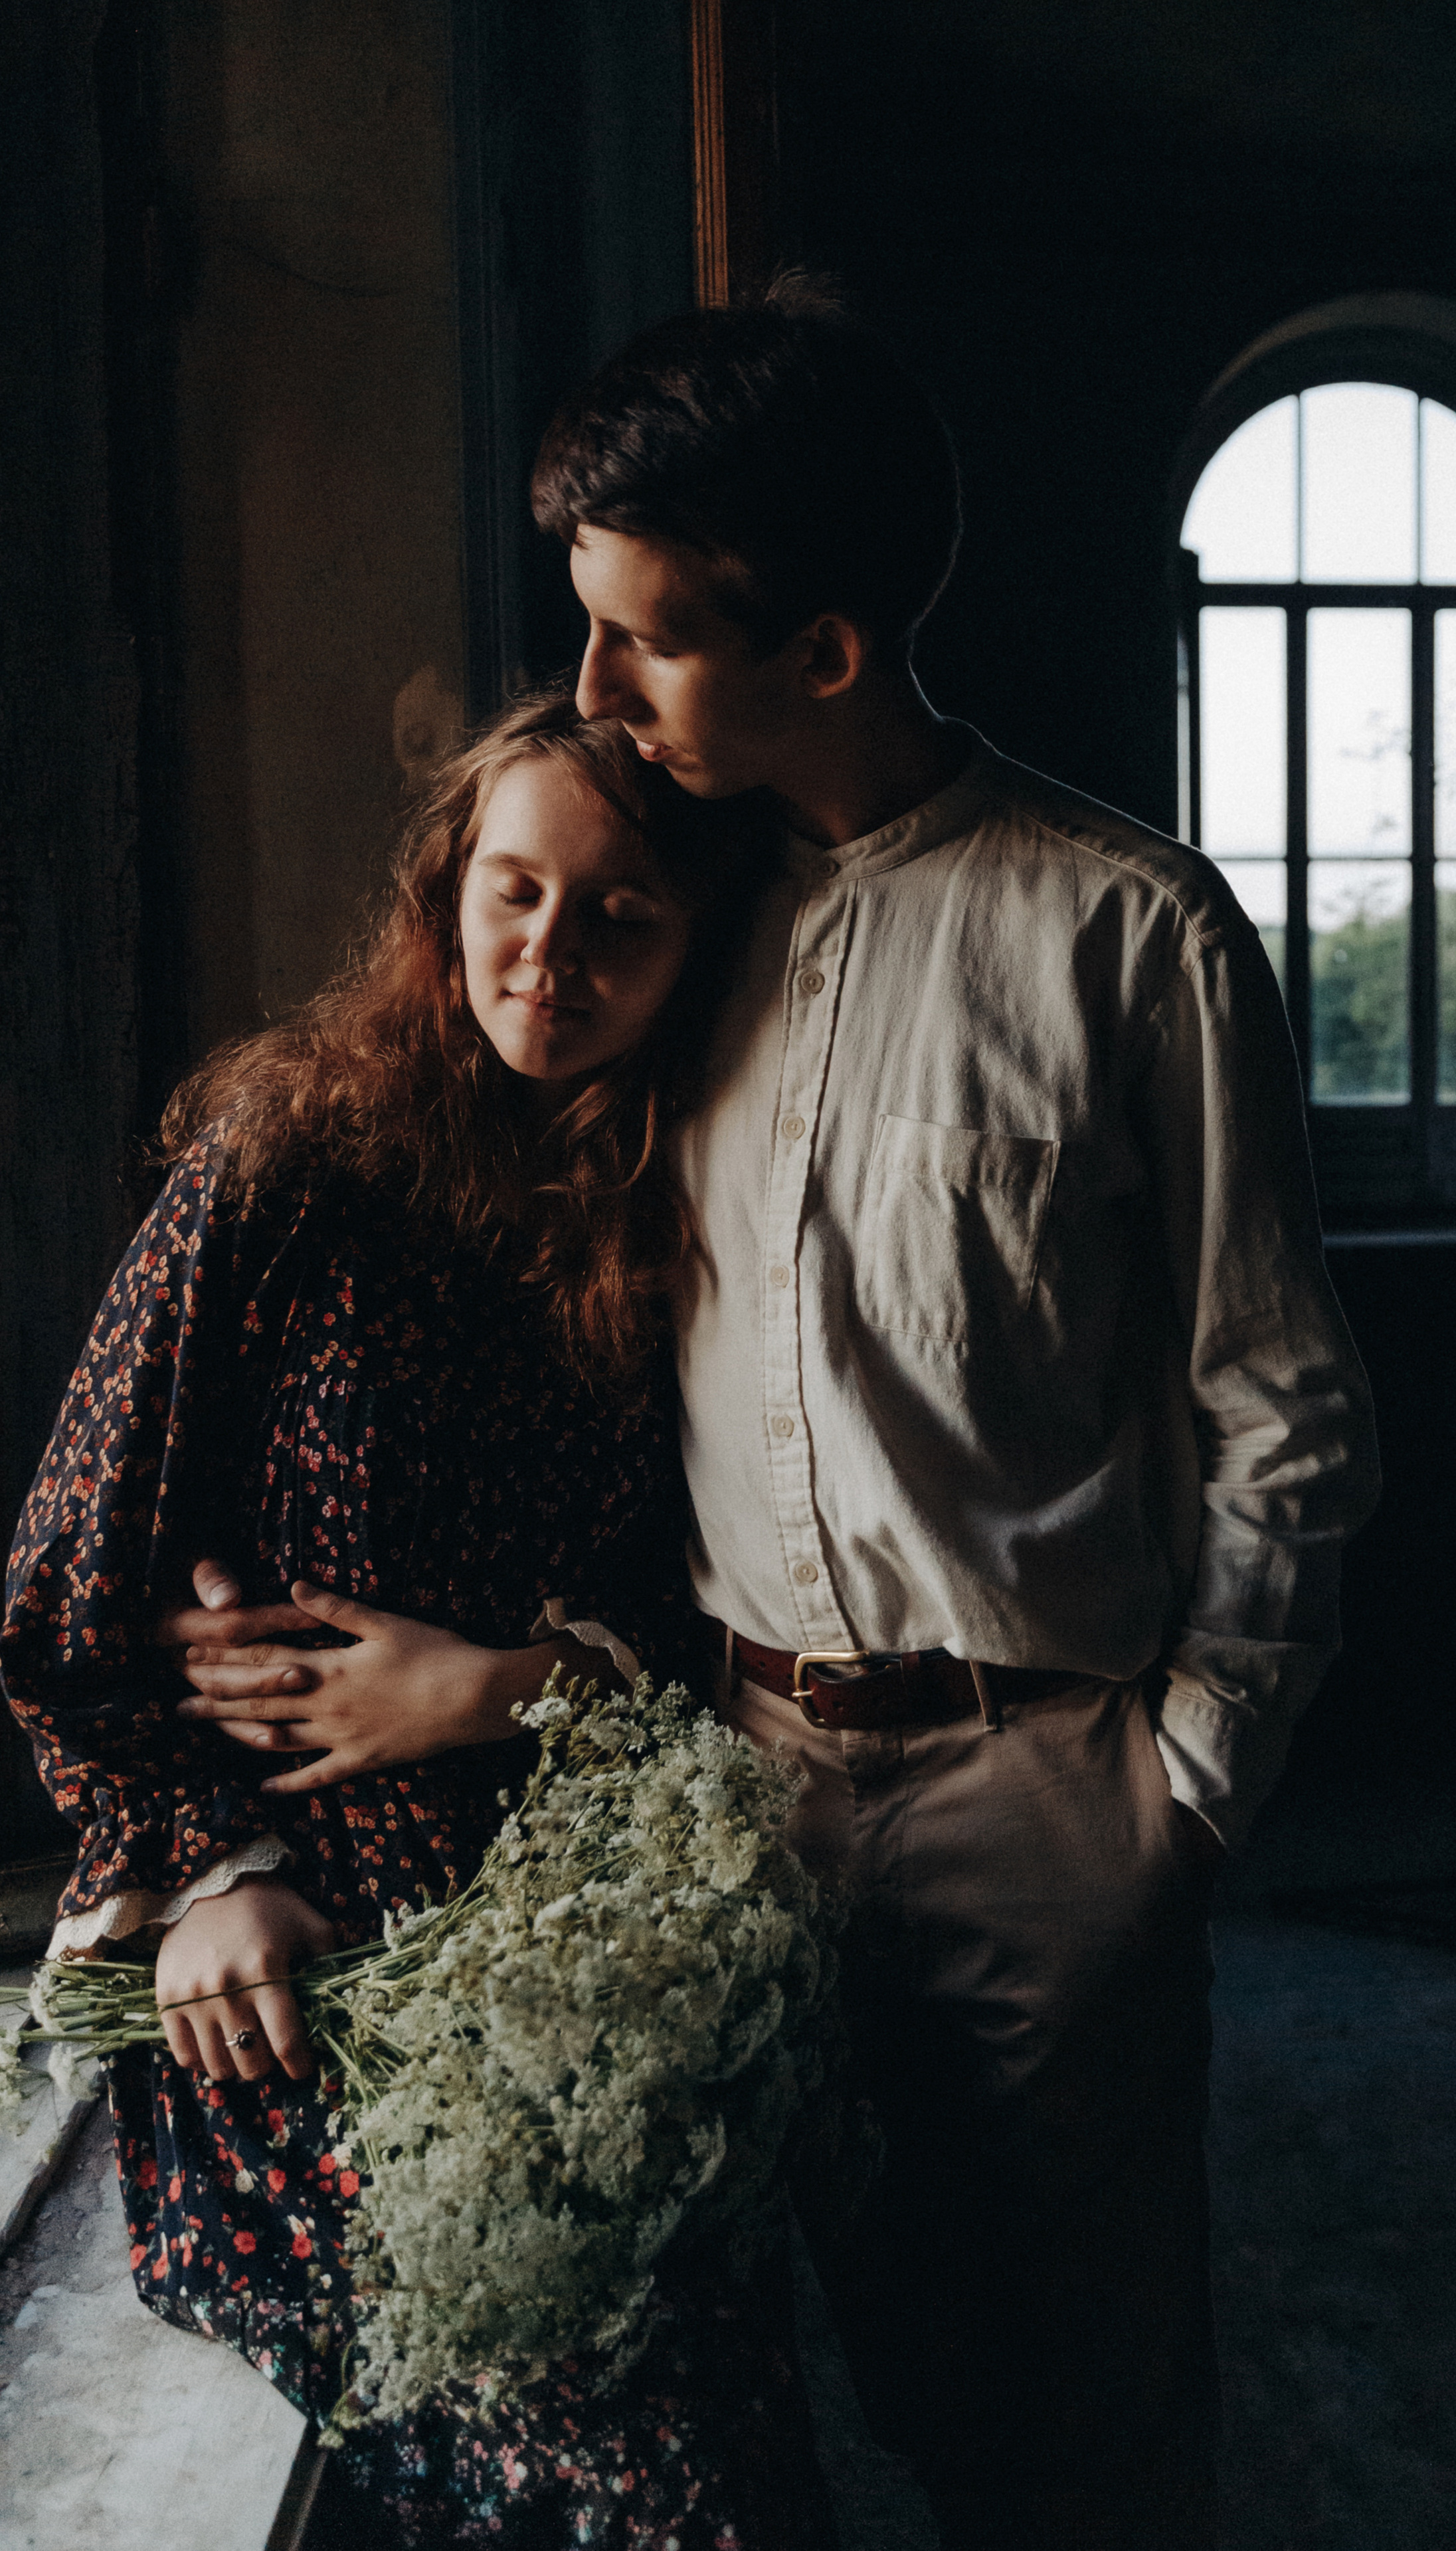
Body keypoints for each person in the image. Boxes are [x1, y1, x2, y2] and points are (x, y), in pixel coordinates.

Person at [166, 277, 1381, 2550]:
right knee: (800, 2372)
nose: (599, 691)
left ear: (822, 650)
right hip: (719, 1784)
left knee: (1079, 2408)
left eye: (646, 640)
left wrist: (1182, 1795)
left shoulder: (1134, 935)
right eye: (589, 631)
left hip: (1050, 1788)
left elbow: (1282, 1404)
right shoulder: (660, 918)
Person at [1, 694, 836, 2551]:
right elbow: (72, 1569)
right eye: (514, 891)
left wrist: (505, 1692)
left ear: (696, 946)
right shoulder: (286, 1165)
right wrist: (213, 1862)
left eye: (622, 916)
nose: (552, 953)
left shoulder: (694, 1199)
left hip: (574, 1945)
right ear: (446, 892)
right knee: (620, 2460)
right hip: (313, 1981)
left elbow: (708, 1612)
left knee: (717, 2420)